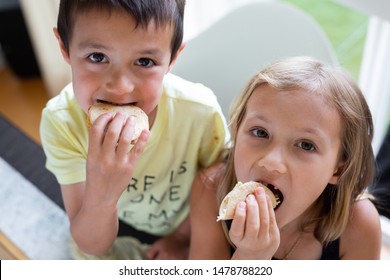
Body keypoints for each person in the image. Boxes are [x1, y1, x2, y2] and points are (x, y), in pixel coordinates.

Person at [39, 0, 228, 260]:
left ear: (172, 58)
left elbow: (218, 183)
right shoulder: (63, 122)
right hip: (112, 223)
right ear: (65, 48)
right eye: (97, 57)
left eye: (144, 61)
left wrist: (182, 237)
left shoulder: (200, 113)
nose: (120, 87)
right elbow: (91, 244)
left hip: (190, 224)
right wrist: (102, 193)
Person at [189, 56, 382, 260]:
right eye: (260, 132)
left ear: (338, 169)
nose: (271, 161)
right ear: (237, 131)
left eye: (306, 145)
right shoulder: (210, 189)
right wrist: (250, 258)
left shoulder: (358, 226)